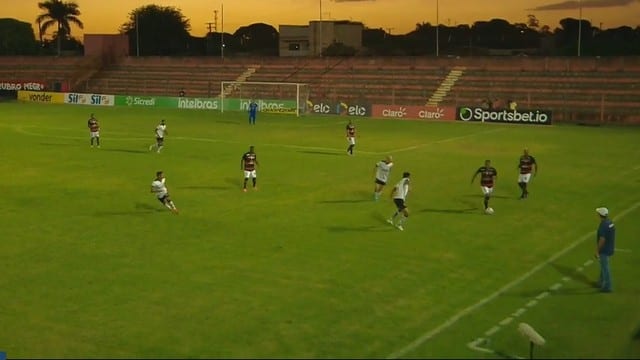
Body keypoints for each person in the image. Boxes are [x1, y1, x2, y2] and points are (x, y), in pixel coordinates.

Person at [595, 207, 615, 293]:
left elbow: (602, 239)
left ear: (600, 215)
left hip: (604, 250)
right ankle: (600, 282)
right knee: (603, 266)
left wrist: (597, 250)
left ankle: (608, 286)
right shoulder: (610, 223)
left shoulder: (603, 225)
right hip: (610, 247)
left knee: (605, 267)